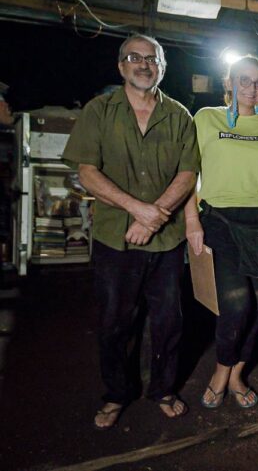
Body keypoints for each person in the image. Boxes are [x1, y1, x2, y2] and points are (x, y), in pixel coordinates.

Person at [62, 34, 199, 429]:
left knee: (168, 322)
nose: (144, 64)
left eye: (152, 59)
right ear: (121, 66)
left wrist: (155, 216)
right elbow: (87, 171)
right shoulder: (99, 110)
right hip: (114, 237)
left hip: (166, 241)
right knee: (114, 322)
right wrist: (138, 210)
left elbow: (187, 173)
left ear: (162, 67)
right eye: (135, 58)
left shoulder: (179, 115)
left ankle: (164, 389)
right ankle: (117, 393)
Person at [185, 55, 258, 409]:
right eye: (243, 80)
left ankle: (237, 373)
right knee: (236, 305)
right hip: (221, 221)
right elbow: (187, 173)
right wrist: (192, 220)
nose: (251, 88)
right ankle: (222, 369)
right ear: (228, 83)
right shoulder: (206, 118)